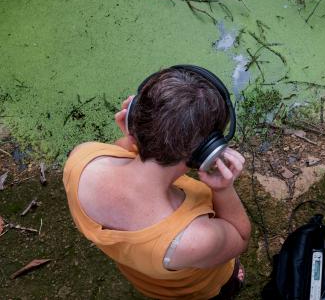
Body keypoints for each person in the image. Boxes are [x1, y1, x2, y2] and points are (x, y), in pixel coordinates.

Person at [63, 67, 251, 299]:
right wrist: (223, 188)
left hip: (146, 276)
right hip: (197, 289)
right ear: (206, 152)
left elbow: (124, 154)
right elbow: (240, 237)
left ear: (133, 118)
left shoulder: (82, 158)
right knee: (224, 283)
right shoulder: (190, 239)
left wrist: (131, 140)